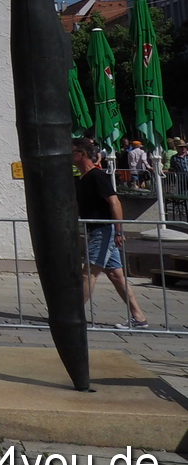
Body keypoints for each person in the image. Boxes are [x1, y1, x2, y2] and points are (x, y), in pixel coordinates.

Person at [73, 137, 148, 329]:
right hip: (99, 231)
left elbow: (115, 202)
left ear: (82, 154)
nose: (68, 156)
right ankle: (139, 317)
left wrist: (118, 231)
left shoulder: (97, 176)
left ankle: (73, 316)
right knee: (116, 276)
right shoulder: (82, 178)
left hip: (103, 231)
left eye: (71, 152)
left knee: (88, 273)